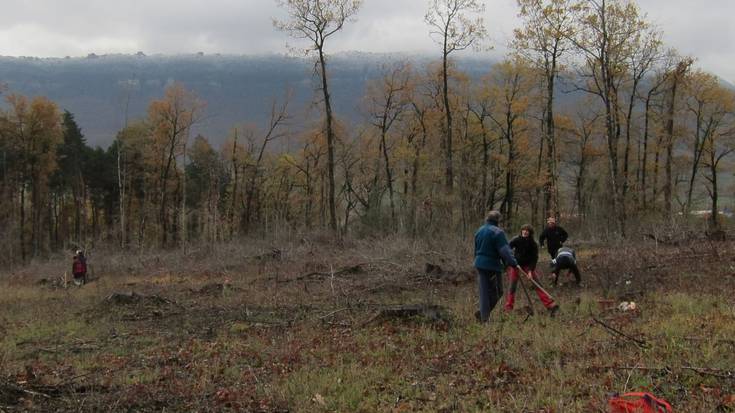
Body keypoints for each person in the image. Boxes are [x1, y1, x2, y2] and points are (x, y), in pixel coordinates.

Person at [473, 210, 518, 323]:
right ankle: (484, 318)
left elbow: (476, 249)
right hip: (492, 265)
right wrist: (513, 262)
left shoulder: (479, 230)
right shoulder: (498, 232)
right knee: (498, 291)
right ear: (498, 220)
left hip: (479, 264)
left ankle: (483, 314)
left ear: (487, 219)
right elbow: (505, 251)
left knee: (484, 292)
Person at [505, 224, 558, 315]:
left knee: (536, 284)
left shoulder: (533, 244)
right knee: (512, 286)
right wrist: (511, 260)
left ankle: (550, 305)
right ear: (521, 231)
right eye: (523, 230)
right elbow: (507, 248)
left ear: (530, 233)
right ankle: (508, 309)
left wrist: (530, 271)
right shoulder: (516, 240)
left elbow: (534, 258)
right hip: (516, 265)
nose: (525, 232)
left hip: (528, 266)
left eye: (527, 231)